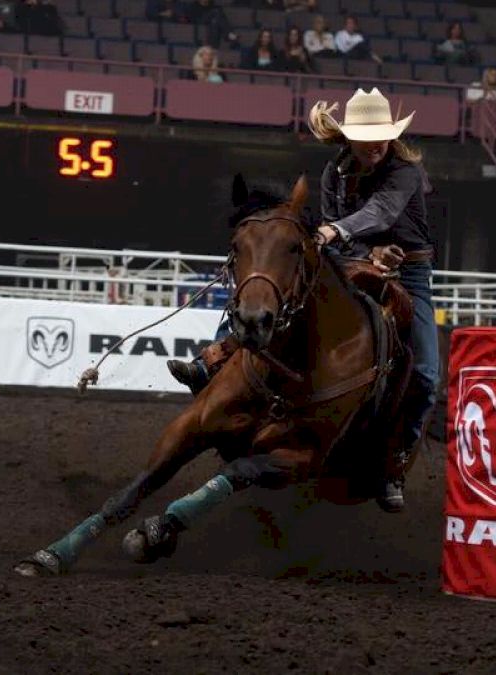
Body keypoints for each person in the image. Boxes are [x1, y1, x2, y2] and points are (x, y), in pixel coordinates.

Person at [168, 88, 434, 513]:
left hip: (410, 271)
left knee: (424, 374)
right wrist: (361, 252)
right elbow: (344, 226)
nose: (376, 143)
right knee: (275, 290)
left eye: (382, 134)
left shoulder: (405, 172)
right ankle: (215, 358)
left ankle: (393, 465)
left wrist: (335, 232)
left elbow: (381, 213)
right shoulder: (336, 172)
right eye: (368, 135)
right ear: (350, 138)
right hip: (352, 260)